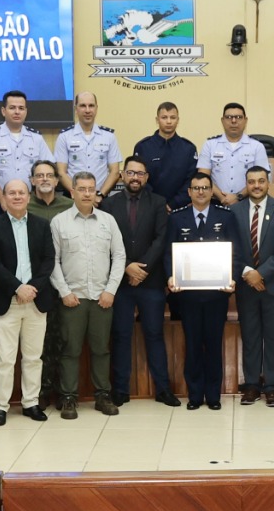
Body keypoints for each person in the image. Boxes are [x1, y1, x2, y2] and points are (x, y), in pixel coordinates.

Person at [50, 171, 126, 418]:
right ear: (72, 192)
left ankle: (103, 395)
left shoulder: (108, 221)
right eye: (81, 189)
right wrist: (64, 292)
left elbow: (120, 256)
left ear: (97, 192)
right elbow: (52, 261)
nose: (86, 193)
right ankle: (68, 397)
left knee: (101, 349)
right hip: (73, 298)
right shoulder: (59, 222)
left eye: (91, 189)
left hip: (102, 298)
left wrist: (110, 290)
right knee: (70, 350)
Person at [101, 155, 174, 406]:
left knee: (154, 334)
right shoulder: (109, 205)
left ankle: (163, 389)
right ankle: (120, 390)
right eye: (130, 173)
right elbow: (107, 243)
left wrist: (141, 268)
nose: (135, 178)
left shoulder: (158, 202)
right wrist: (126, 268)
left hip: (151, 281)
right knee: (120, 335)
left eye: (140, 174)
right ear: (122, 176)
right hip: (119, 283)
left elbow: (160, 239)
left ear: (147, 178)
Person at [0, 178, 57, 425]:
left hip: (36, 299)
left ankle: (31, 403)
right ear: (3, 198)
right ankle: (0, 406)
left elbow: (49, 261)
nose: (17, 196)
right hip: (7, 300)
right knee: (4, 357)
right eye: (11, 193)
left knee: (34, 356)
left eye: (21, 193)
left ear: (28, 196)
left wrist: (32, 288)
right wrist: (17, 287)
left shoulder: (42, 224)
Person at [168, 172, 235, 409]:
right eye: (196, 188)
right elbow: (169, 252)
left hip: (217, 294)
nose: (201, 192)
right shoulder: (177, 218)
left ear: (211, 190)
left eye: (205, 188)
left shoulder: (225, 217)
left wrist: (232, 278)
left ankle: (214, 396)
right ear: (189, 192)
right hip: (188, 295)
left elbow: (234, 252)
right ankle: (195, 395)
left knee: (214, 344)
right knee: (194, 344)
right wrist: (170, 276)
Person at [230, 165, 274, 405]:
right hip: (246, 286)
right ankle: (251, 385)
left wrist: (262, 274)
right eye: (251, 181)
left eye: (260, 181)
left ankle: (270, 385)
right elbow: (230, 248)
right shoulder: (234, 211)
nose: (256, 185)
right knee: (250, 337)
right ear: (246, 184)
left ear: (268, 183)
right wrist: (249, 273)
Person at [26, 159, 71, 405]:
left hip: (65, 283)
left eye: (49, 175)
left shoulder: (69, 205)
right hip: (35, 285)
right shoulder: (24, 206)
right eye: (39, 175)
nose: (44, 179)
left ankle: (65, 392)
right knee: (40, 343)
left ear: (56, 180)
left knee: (64, 340)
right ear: (32, 180)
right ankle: (41, 392)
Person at [0, 90, 46, 214]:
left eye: (21, 108)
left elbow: (47, 168)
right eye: (12, 108)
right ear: (3, 111)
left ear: (26, 111)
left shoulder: (36, 137)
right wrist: (1, 198)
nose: (17, 112)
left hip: (30, 202)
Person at [203, 102, 273, 206]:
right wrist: (222, 198)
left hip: (247, 203)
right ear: (222, 120)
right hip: (215, 203)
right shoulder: (210, 145)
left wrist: (238, 196)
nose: (234, 121)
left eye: (239, 117)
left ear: (245, 120)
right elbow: (203, 177)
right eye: (229, 117)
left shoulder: (257, 147)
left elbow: (263, 178)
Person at [55, 91, 123, 195]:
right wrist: (78, 194)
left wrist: (100, 195)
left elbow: (114, 172)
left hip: (100, 198)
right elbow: (61, 172)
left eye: (91, 106)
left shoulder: (109, 137)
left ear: (96, 108)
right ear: (76, 109)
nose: (87, 110)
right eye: (83, 106)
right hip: (73, 198)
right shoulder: (64, 136)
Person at [134, 100, 198, 209]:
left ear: (178, 120)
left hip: (180, 208)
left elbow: (191, 181)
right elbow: (140, 178)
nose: (169, 121)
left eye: (173, 118)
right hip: (149, 207)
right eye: (164, 117)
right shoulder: (143, 147)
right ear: (157, 120)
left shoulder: (188, 149)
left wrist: (173, 204)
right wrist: (158, 203)